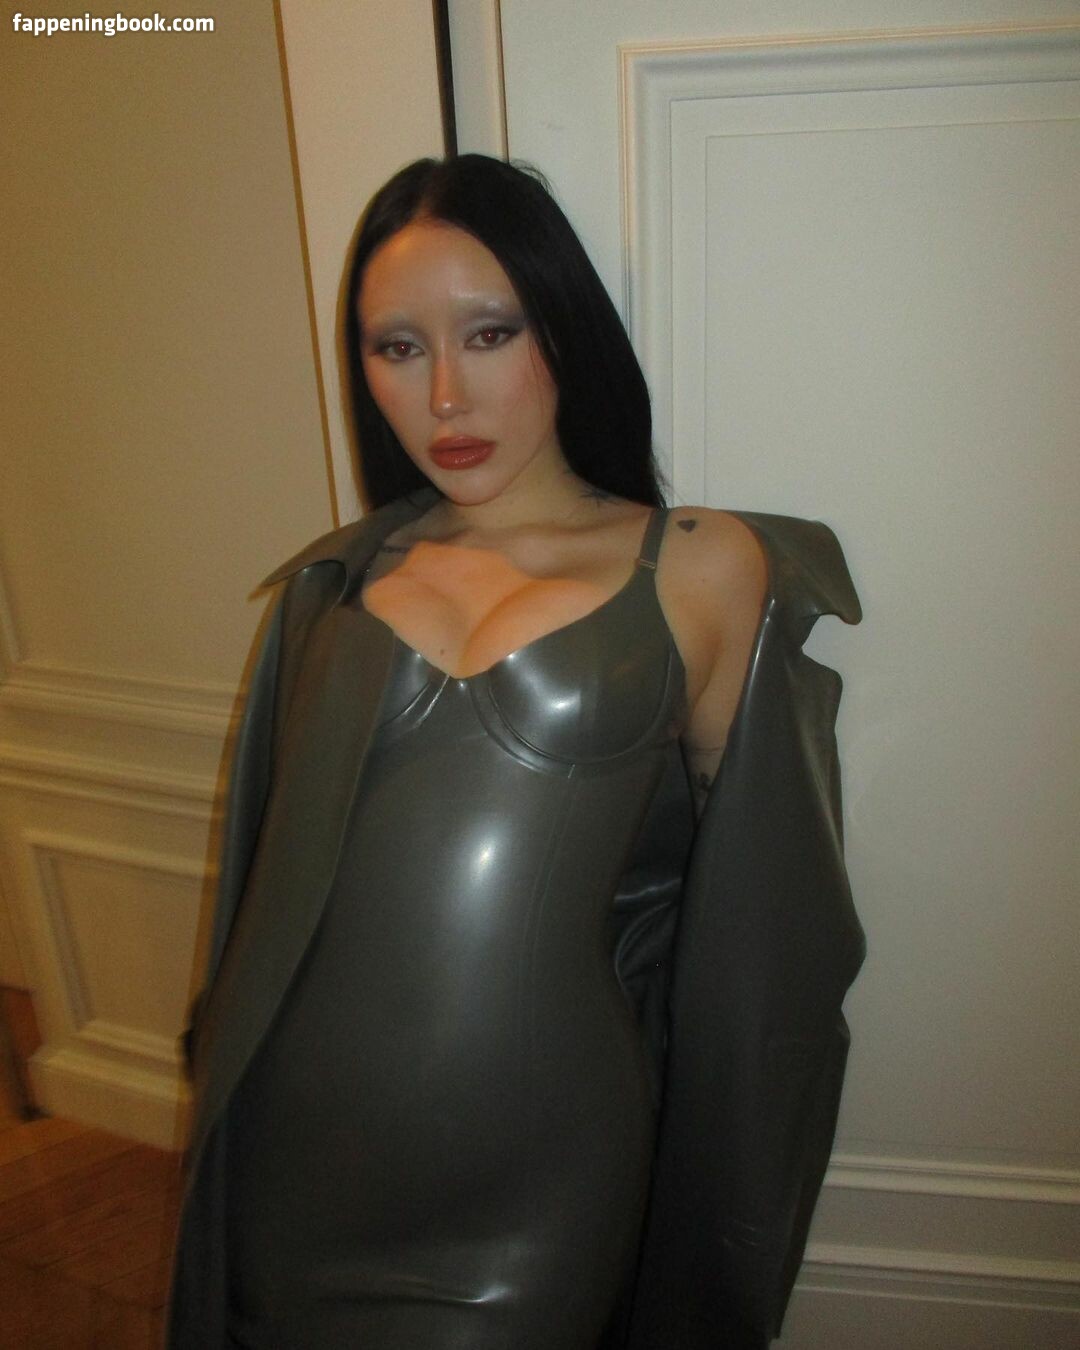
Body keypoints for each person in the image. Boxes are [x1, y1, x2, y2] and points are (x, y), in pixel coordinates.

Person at [166, 154, 864, 1350]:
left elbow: (768, 939)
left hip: (542, 1179)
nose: (446, 396)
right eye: (398, 347)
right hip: (297, 1149)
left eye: (490, 333)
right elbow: (263, 906)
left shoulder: (701, 571)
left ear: (564, 329)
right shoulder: (329, 594)